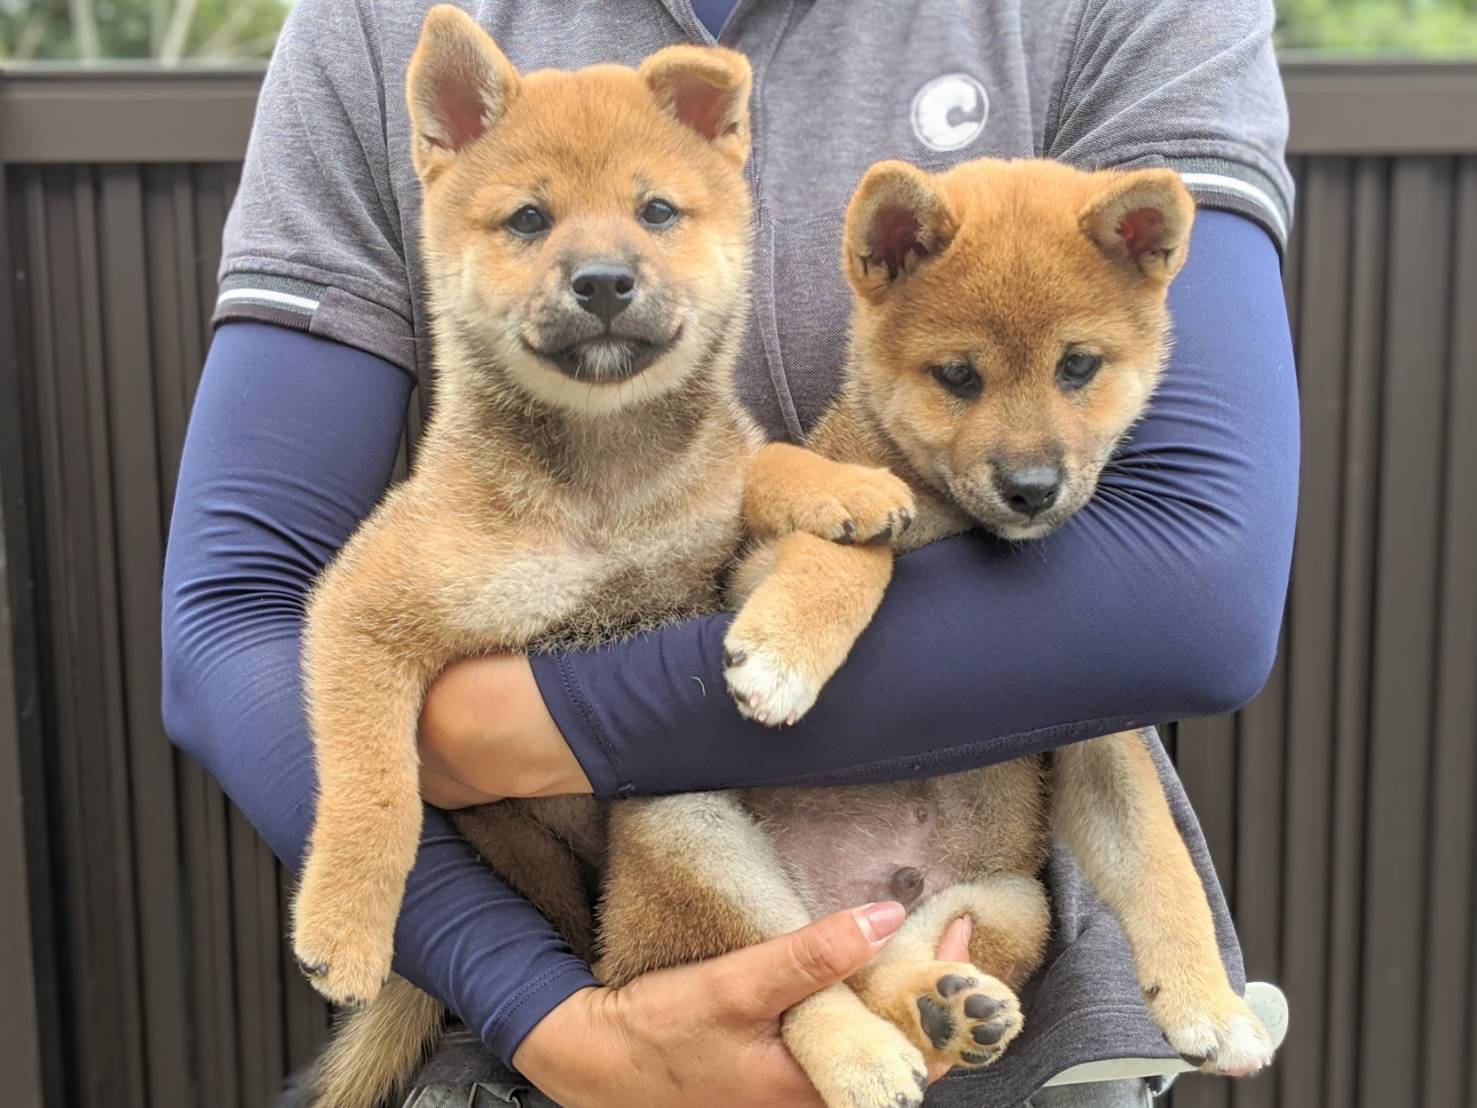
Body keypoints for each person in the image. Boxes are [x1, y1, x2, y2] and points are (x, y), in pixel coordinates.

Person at [160, 1, 1298, 1105]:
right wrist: (546, 1009)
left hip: (1011, 1007)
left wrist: (518, 732)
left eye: (659, 214)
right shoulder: (374, 23)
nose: (602, 267)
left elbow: (1195, 595)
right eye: (527, 221)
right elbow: (235, 613)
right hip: (553, 1017)